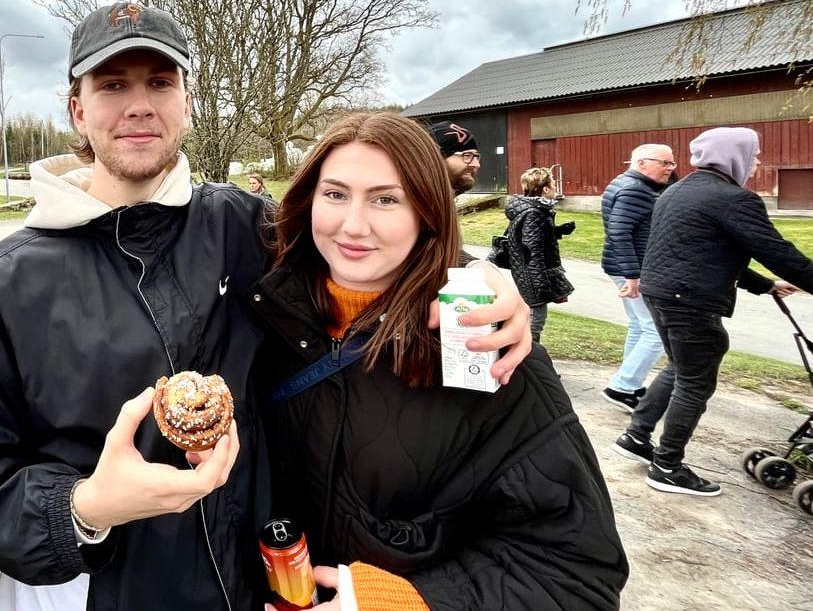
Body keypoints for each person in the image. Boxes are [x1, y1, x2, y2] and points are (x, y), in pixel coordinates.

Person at [0, 2, 533, 611]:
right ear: (77, 110)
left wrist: (472, 277)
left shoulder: (251, 230)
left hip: (248, 584)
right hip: (84, 594)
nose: (140, 104)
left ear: (188, 103)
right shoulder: (1, 286)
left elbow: (370, 256)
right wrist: (83, 508)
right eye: (113, 85)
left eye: (160, 82)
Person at [253, 112, 627, 610]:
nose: (353, 224)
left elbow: (575, 575)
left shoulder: (486, 343)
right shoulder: (261, 308)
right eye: (335, 194)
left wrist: (409, 603)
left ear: (428, 211)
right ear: (308, 199)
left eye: (386, 199)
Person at [614, 127, 813, 497]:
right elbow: (778, 252)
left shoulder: (677, 190)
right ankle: (667, 467)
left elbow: (707, 250)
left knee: (680, 368)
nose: (756, 162)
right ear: (733, 156)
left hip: (660, 294)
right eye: (753, 155)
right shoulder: (734, 199)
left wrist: (765, 285)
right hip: (690, 302)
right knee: (695, 381)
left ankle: (636, 436)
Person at [599, 144, 674, 413]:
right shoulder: (635, 189)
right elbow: (619, 232)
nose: (670, 169)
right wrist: (632, 275)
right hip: (633, 270)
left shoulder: (628, 183)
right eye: (664, 163)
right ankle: (622, 386)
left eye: (672, 164)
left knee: (640, 325)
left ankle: (629, 385)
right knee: (655, 331)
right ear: (642, 163)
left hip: (626, 267)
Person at [504, 166, 575, 342]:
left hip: (528, 273)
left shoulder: (536, 210)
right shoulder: (534, 212)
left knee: (534, 317)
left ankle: (527, 357)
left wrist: (557, 231)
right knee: (535, 319)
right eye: (553, 185)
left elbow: (534, 237)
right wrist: (539, 282)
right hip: (530, 274)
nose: (555, 189)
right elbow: (531, 249)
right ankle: (527, 358)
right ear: (545, 189)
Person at [427, 121, 481, 196]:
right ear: (438, 158)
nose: (477, 164)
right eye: (467, 155)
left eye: (476, 157)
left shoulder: (440, 203)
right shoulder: (412, 203)